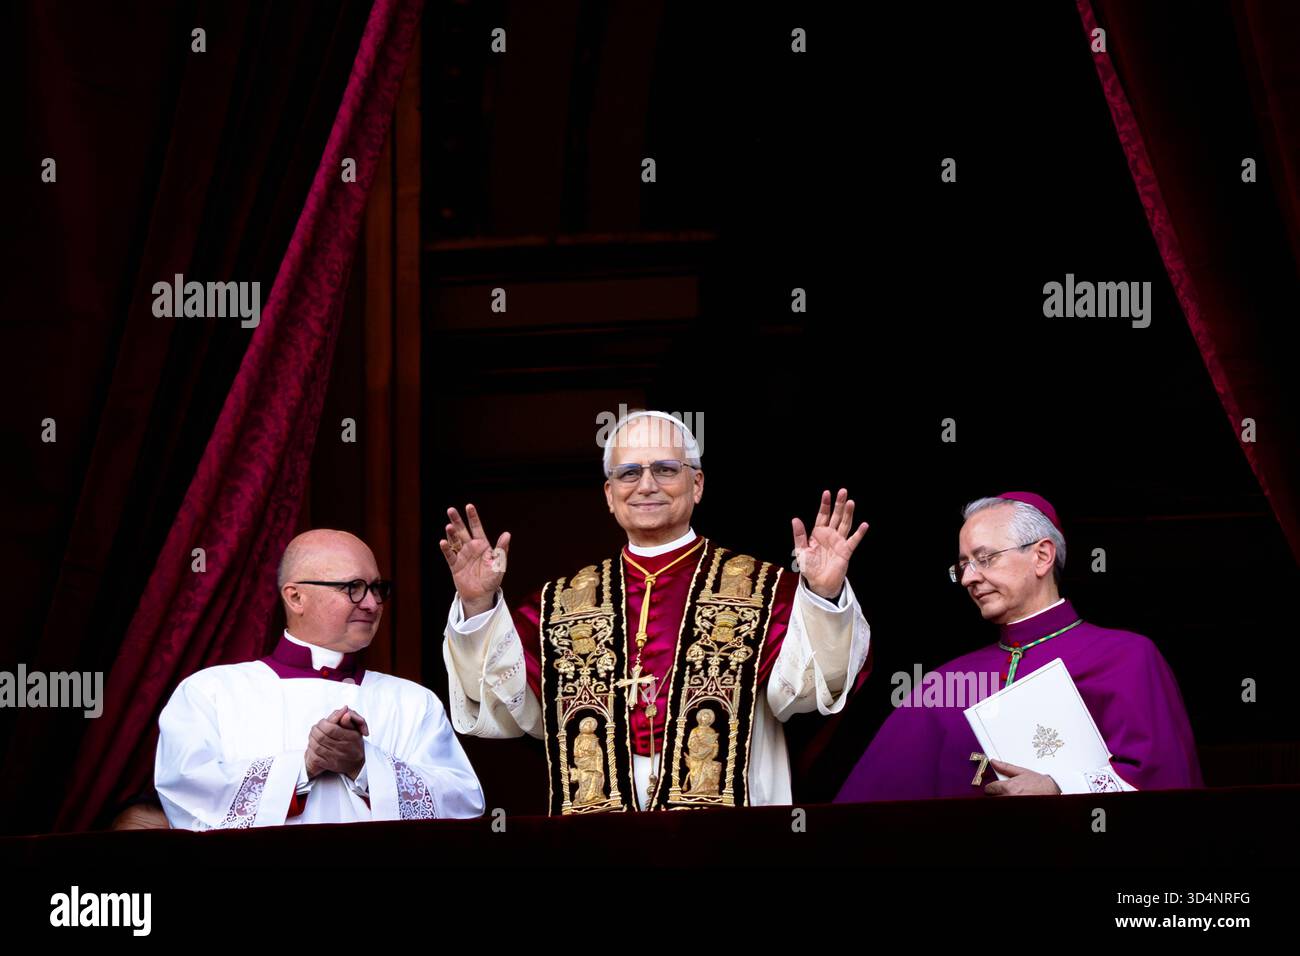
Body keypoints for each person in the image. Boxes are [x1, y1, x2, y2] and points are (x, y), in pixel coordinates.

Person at [441, 409, 871, 813]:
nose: (646, 485)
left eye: (665, 469)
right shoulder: (560, 605)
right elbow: (505, 706)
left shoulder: (764, 590)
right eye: (629, 473)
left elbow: (808, 691)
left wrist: (823, 594)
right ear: (610, 495)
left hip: (727, 842)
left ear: (698, 484)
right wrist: (478, 605)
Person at [836, 492, 1201, 801]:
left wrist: (1060, 788)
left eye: (985, 558)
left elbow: (1166, 788)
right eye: (962, 566)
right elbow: (865, 810)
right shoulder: (944, 683)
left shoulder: (1127, 657)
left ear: (1042, 556)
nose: (968, 578)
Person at [155, 529, 484, 828]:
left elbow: (463, 806)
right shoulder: (210, 692)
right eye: (353, 588)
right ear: (295, 597)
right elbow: (186, 793)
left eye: (376, 588)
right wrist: (301, 768)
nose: (371, 604)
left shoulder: (413, 701)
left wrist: (365, 766)